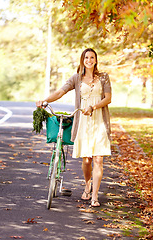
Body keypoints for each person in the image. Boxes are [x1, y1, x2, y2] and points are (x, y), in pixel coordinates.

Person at [36, 48, 112, 207]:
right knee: (86, 160)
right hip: (83, 121)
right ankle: (87, 184)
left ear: (96, 60)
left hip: (99, 121)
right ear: (82, 60)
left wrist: (93, 107)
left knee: (98, 159)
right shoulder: (77, 78)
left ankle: (95, 197)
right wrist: (45, 101)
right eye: (86, 57)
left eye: (92, 57)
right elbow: (60, 92)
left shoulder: (104, 77)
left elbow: (108, 99)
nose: (89, 60)